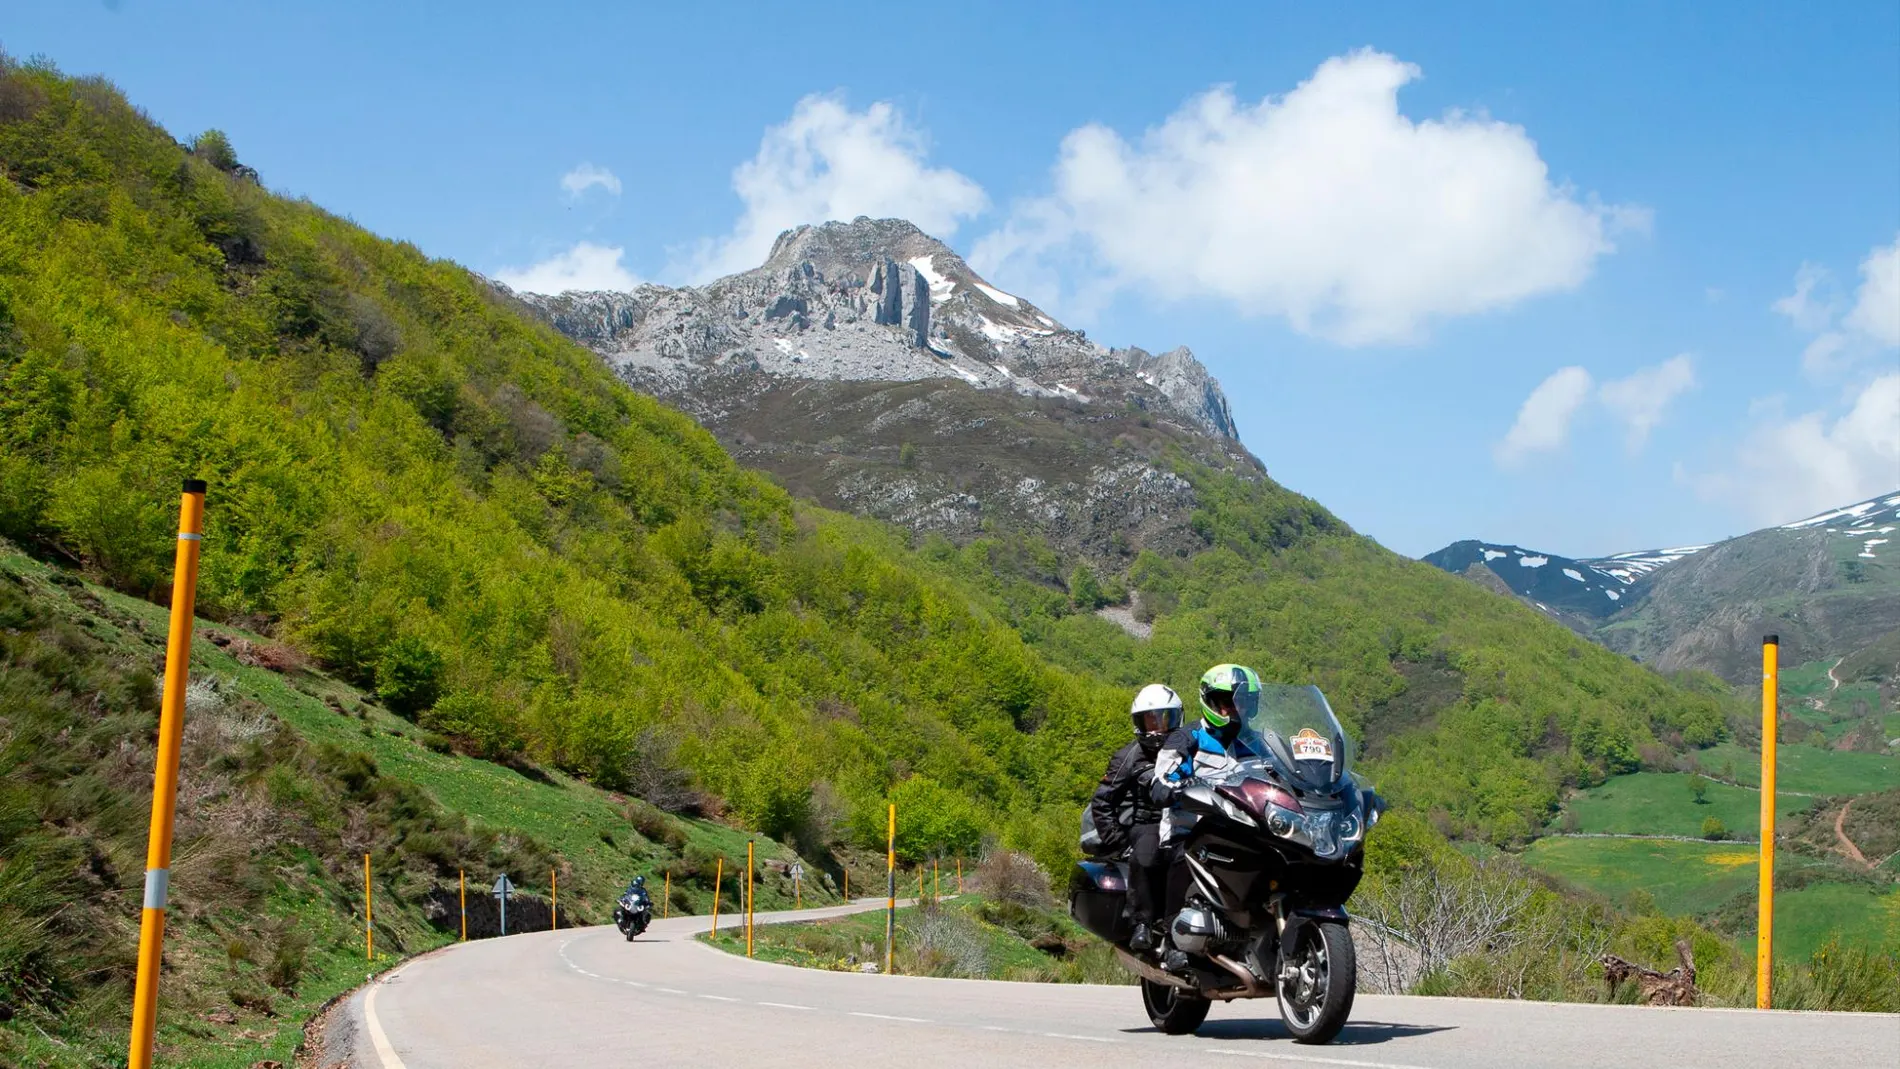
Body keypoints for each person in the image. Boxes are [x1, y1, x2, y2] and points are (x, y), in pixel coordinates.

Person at [1087, 683, 1183, 953]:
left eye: (1163, 719)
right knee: (1146, 854)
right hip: (1148, 822)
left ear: (1176, 718)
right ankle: (1144, 922)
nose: (1156, 728)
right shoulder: (1129, 756)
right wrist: (1118, 842)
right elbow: (1103, 800)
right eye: (1149, 720)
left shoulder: (1189, 748)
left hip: (1187, 822)